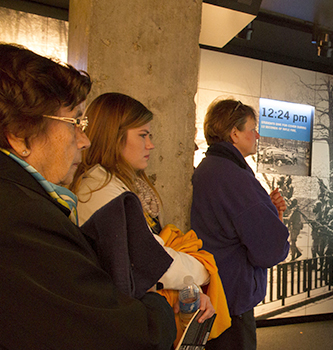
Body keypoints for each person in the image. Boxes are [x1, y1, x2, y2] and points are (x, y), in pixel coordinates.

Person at [0, 43, 176, 349]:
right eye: (75, 123)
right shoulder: (23, 218)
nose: (83, 140)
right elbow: (117, 332)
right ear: (20, 133)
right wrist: (163, 302)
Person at [69, 93, 220, 342]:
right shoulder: (103, 194)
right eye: (143, 135)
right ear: (113, 136)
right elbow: (151, 263)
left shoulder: (115, 186)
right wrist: (201, 270)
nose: (150, 144)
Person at [191, 98, 290, 350]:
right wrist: (270, 214)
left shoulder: (210, 168)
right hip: (232, 301)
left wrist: (266, 209)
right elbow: (270, 249)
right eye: (252, 128)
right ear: (234, 133)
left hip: (216, 292)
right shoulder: (235, 178)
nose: (257, 135)